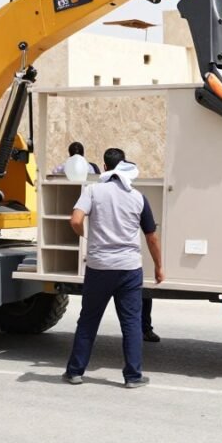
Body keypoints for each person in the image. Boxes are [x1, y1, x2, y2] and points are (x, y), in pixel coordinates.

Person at [64, 148, 164, 388]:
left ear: (105, 167)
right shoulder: (138, 196)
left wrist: (86, 236)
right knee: (131, 323)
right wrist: (159, 267)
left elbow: (76, 220)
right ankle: (133, 377)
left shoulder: (93, 191)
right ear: (124, 167)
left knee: (88, 320)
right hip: (129, 268)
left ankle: (75, 372)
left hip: (99, 266)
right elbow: (151, 237)